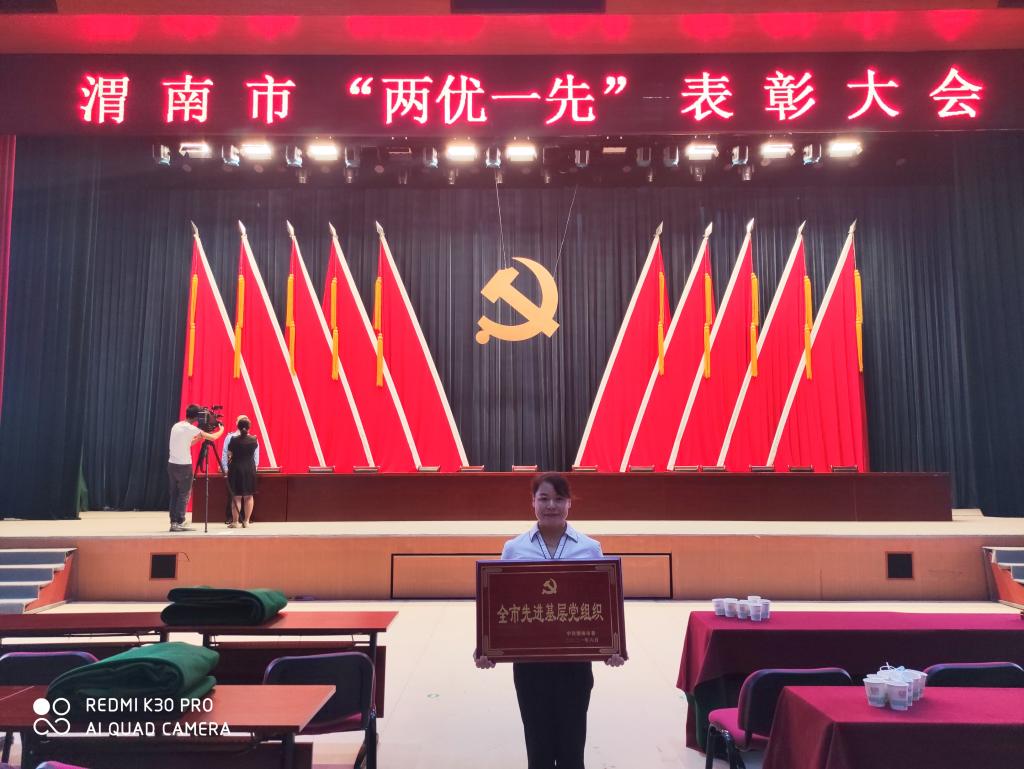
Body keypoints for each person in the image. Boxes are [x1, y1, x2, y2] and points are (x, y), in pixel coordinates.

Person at [475, 472, 625, 769]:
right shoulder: (514, 549)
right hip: (530, 668)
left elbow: (602, 604)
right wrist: (485, 648)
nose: (551, 506)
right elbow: (500, 605)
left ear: (570, 503)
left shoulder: (590, 548)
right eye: (544, 498)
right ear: (533, 502)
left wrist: (613, 646)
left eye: (559, 499)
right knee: (538, 752)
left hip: (575, 666)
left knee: (572, 752)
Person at [167, 404, 223, 532]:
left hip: (172, 465)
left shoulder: (177, 426)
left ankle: (174, 522)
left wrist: (199, 438)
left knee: (175, 494)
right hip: (184, 466)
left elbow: (188, 443)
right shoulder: (190, 428)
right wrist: (221, 429)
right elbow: (214, 437)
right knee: (184, 494)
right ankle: (179, 522)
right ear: (197, 417)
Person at [224, 415, 259, 528]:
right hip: (249, 469)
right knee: (249, 496)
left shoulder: (233, 440)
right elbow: (254, 454)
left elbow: (229, 454)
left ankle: (235, 522)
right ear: (249, 427)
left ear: (238, 427)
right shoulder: (254, 440)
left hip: (236, 469)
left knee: (236, 497)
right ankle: (246, 521)